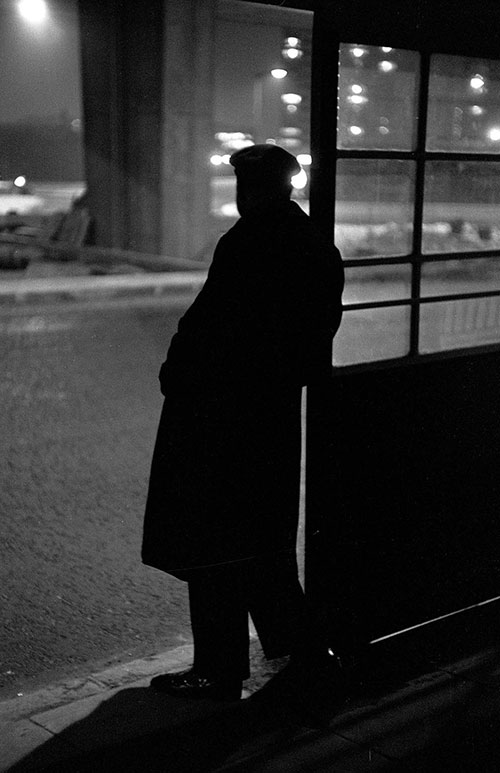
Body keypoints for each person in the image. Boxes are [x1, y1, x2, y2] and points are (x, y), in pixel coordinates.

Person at [141, 144, 344, 701]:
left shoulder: (249, 241)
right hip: (269, 417)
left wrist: (181, 373)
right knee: (259, 544)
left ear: (248, 188)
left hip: (221, 417)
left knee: (211, 545)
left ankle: (219, 665)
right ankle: (306, 653)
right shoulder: (313, 244)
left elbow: (215, 329)